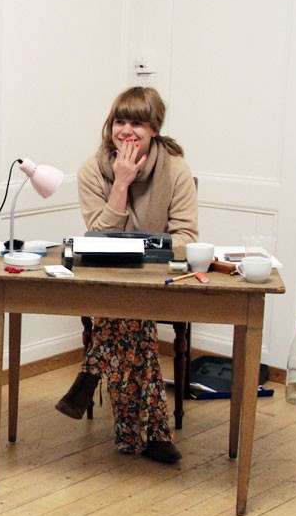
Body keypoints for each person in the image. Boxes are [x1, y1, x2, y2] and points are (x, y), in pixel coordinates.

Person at [54, 86, 198, 464]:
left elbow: (186, 238)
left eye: (138, 123)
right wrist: (120, 183)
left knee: (126, 313)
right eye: (120, 121)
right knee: (131, 318)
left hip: (155, 276)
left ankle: (92, 371)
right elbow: (98, 236)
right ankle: (153, 434)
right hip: (109, 275)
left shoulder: (175, 169)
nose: (127, 131)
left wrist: (138, 251)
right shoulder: (92, 169)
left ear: (154, 129)